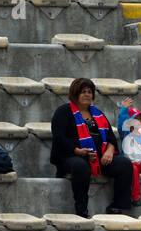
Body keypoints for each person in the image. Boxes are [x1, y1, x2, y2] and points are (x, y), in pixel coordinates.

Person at [49, 76, 134, 217]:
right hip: (72, 156)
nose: (87, 94)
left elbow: (111, 137)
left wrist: (110, 150)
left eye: (89, 91)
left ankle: (117, 205)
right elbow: (59, 138)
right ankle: (81, 209)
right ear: (75, 94)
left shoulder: (97, 113)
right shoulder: (63, 112)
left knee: (124, 164)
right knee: (80, 166)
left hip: (99, 157)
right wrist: (77, 151)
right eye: (83, 91)